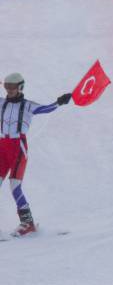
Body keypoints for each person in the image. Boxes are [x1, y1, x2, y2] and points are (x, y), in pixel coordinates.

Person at [1, 73, 72, 237]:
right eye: (6, 87)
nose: (9, 91)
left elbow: (45, 108)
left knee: (14, 185)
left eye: (12, 87)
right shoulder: (1, 102)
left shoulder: (27, 106)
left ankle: (28, 223)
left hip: (18, 147)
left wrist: (59, 102)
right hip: (2, 146)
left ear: (20, 87)